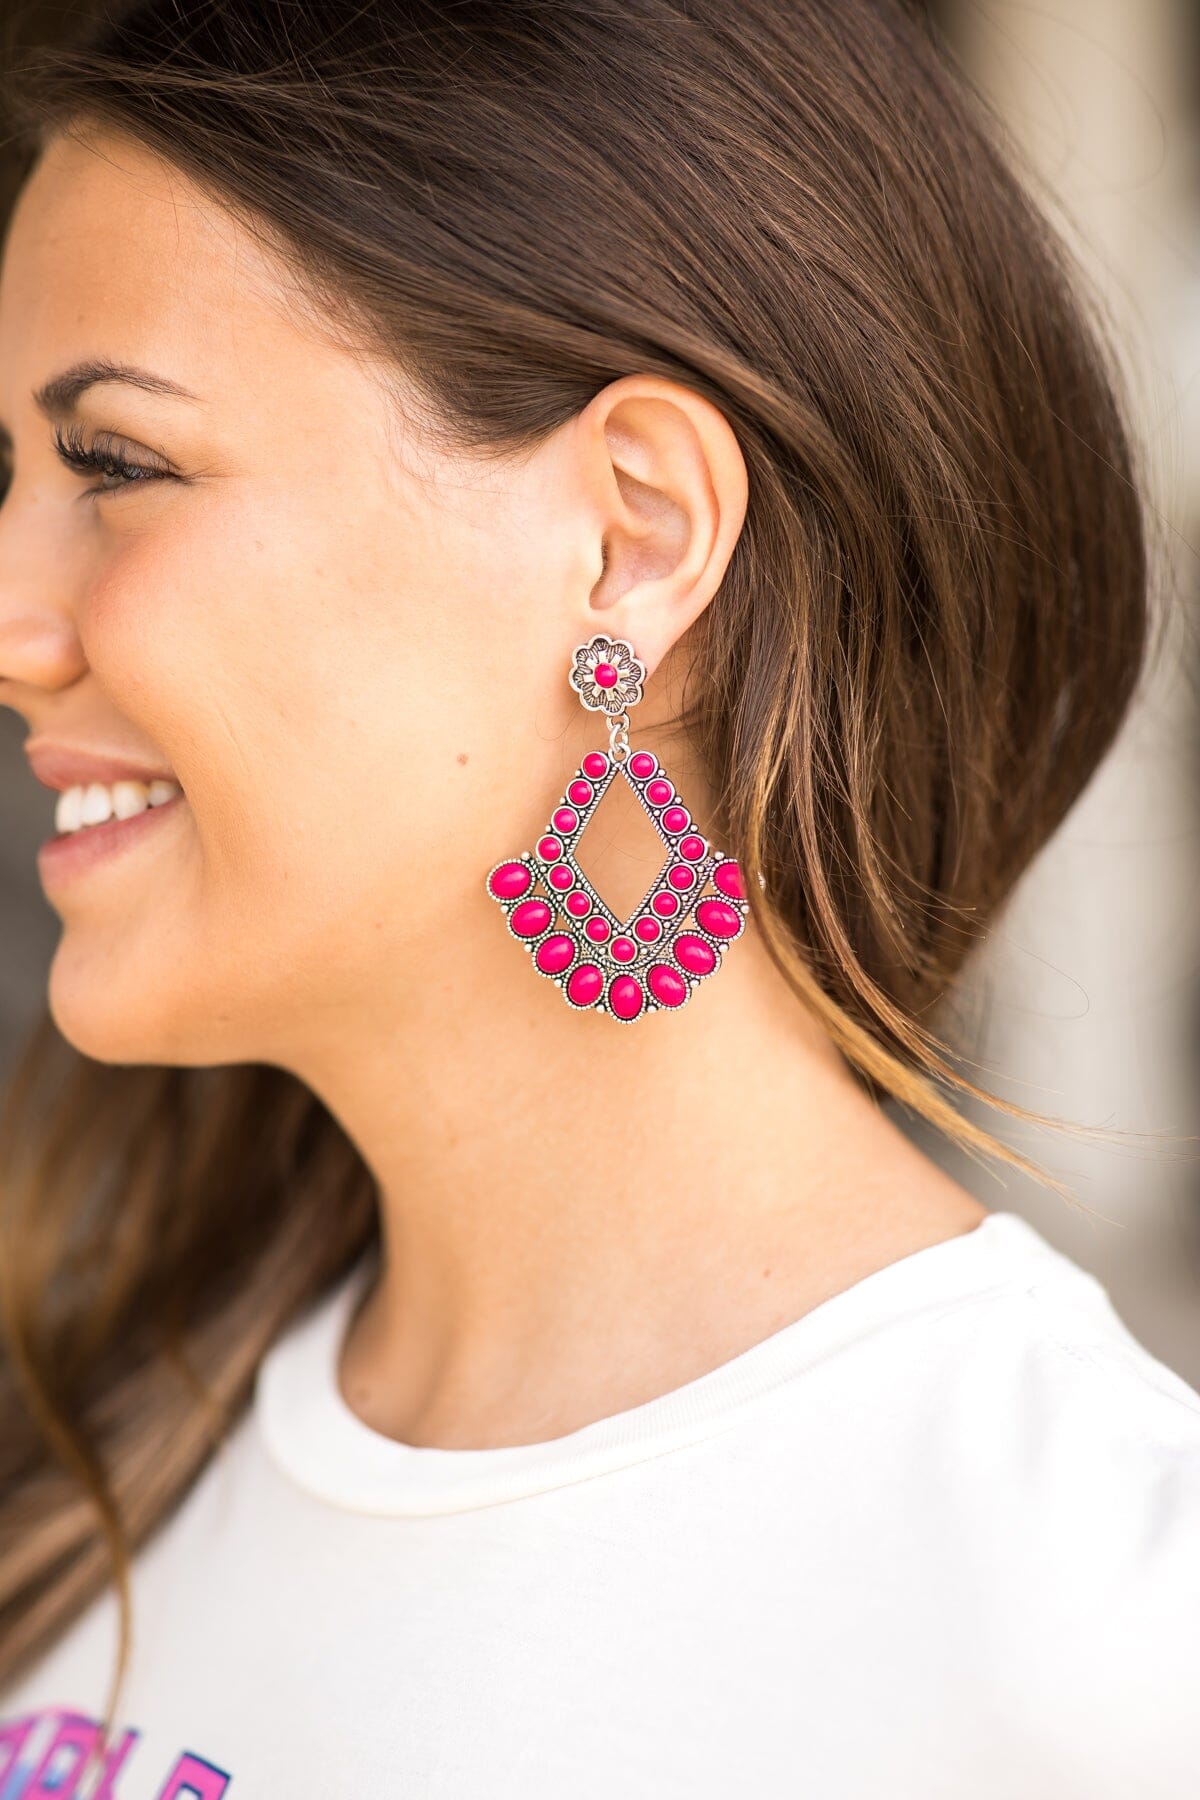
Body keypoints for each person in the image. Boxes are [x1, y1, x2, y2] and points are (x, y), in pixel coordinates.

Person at [0, 1, 1196, 1794]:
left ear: (634, 532)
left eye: (116, 469)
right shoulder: (109, 1447)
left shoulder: (1100, 1632)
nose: (14, 627)